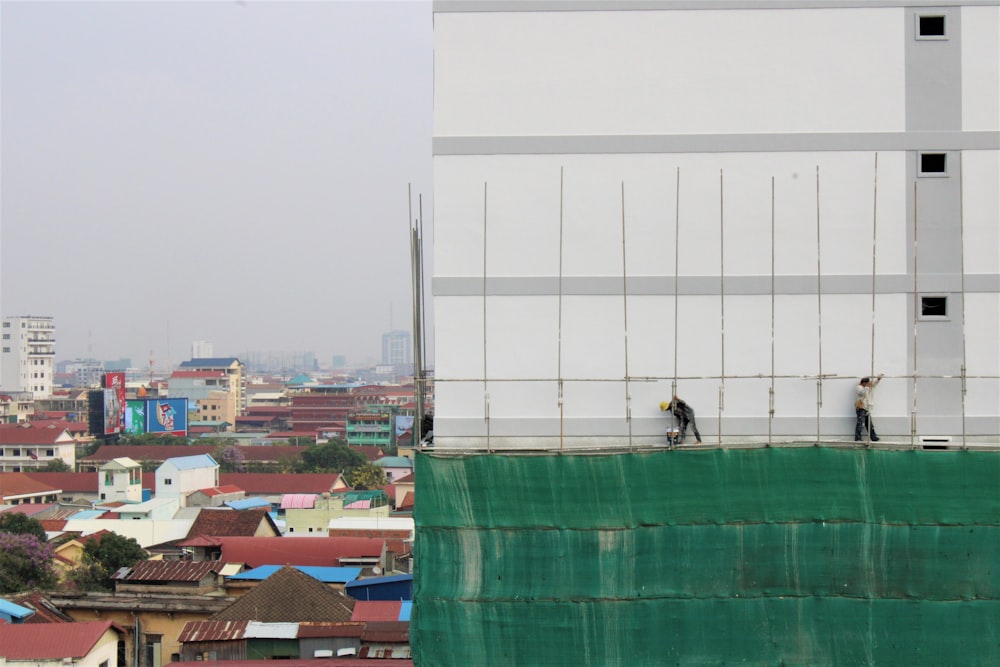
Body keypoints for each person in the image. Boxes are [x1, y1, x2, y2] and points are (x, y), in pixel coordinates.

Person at [854, 374, 884, 442]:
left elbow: (873, 384)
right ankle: (858, 438)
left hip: (867, 408)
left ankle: (873, 437)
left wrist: (878, 379)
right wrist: (867, 387)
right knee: (860, 423)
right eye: (867, 383)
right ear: (864, 382)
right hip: (861, 407)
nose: (869, 384)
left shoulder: (866, 387)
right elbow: (862, 393)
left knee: (869, 424)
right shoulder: (858, 387)